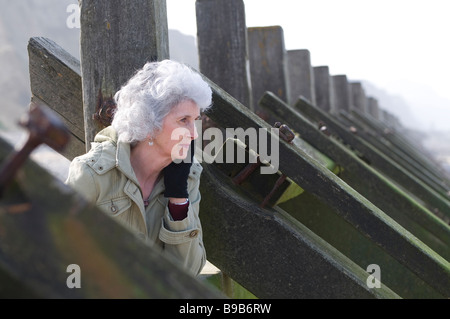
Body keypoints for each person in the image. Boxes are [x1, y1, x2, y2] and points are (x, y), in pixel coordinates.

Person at [65, 60, 212, 276]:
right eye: (184, 120)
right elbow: (57, 254)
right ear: (149, 123)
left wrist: (178, 198)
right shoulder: (92, 174)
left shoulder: (188, 177)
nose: (194, 134)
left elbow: (188, 271)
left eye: (195, 120)